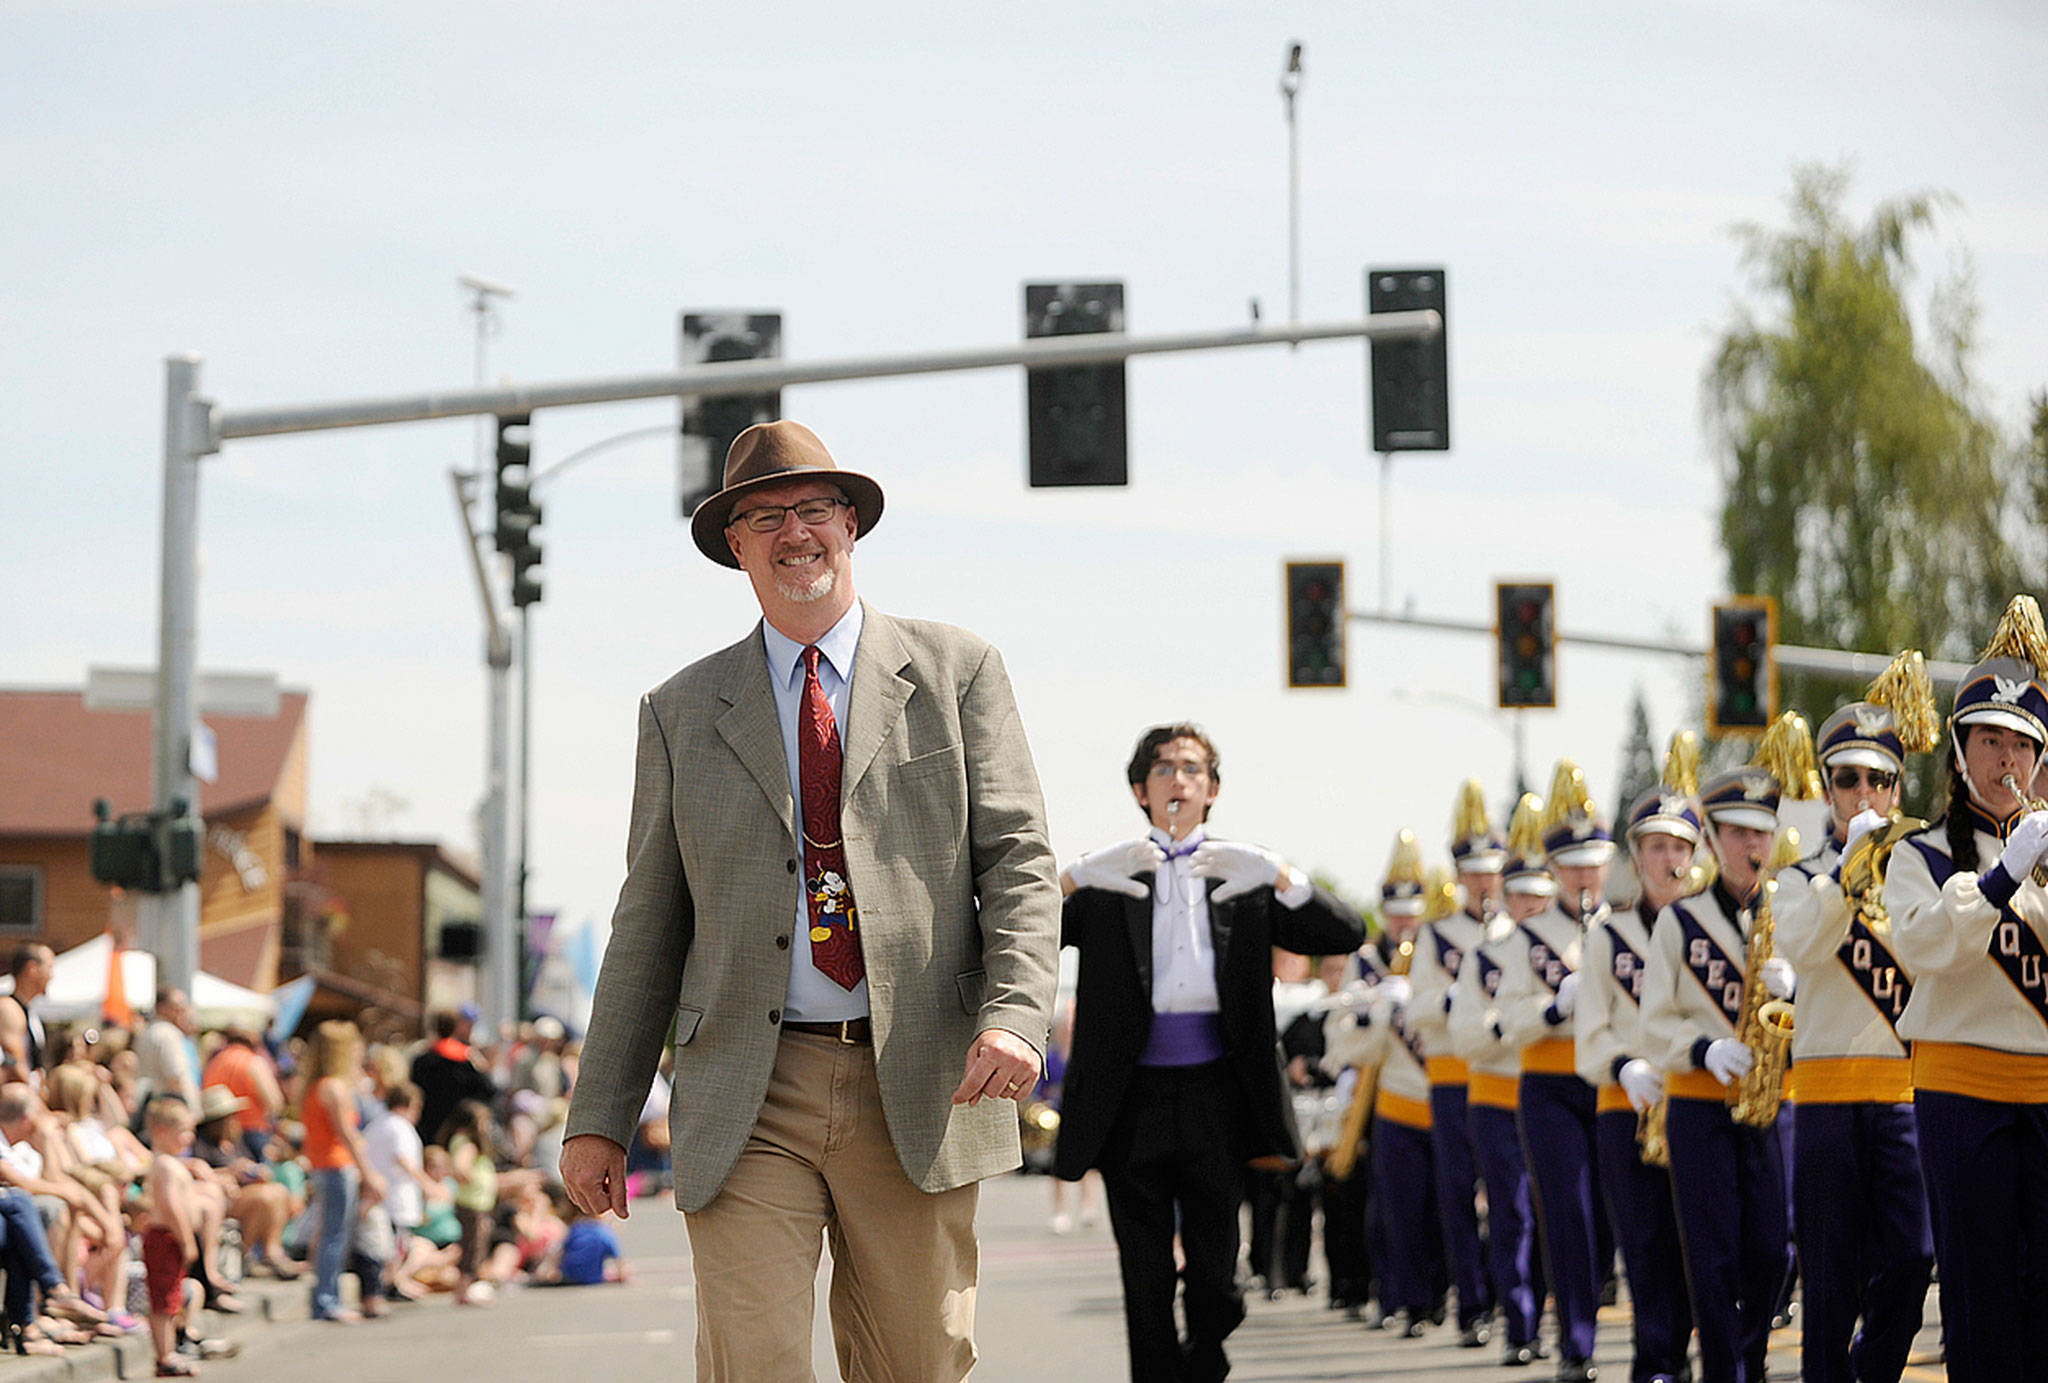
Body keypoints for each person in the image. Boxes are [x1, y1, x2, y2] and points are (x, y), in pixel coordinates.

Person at [560, 420, 1061, 1382]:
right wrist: (599, 1114)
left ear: (851, 526)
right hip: (750, 1087)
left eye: (813, 509)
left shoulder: (958, 671)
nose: (795, 532)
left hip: (921, 1071)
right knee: (754, 1361)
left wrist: (1015, 1015)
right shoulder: (679, 710)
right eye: (764, 516)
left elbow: (1021, 861)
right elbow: (648, 923)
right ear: (735, 546)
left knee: (918, 1362)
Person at [1055, 723, 1366, 1381]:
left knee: (1216, 1273)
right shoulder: (1111, 874)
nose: (1178, 779)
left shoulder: (1242, 874)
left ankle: (1207, 1353)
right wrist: (1073, 878)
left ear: (1212, 789)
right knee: (1144, 1272)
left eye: (1192, 768)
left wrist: (1282, 875)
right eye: (1163, 768)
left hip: (1216, 1095)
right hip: (1130, 1094)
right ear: (1140, 789)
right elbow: (1019, 931)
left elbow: (1344, 931)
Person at [1886, 599, 2048, 1381]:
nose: (2007, 760)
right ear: (1958, 753)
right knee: (1980, 1302)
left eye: (2023, 744)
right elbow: (1922, 945)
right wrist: (2003, 875)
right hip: (1961, 1089)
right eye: (1990, 739)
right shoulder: (1917, 856)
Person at [1770, 655, 1937, 1383]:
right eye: (1848, 779)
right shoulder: (1801, 877)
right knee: (1831, 1278)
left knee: (1913, 1253)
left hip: (1904, 1095)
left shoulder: (1924, 869)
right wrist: (1848, 868)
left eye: (1879, 780)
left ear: (1899, 788)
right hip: (1829, 1098)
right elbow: (1802, 943)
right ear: (1828, 791)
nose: (1864, 792)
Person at [1641, 730, 1808, 1383]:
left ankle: (1751, 1357)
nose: (1752, 846)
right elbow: (1653, 1023)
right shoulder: (1677, 923)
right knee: (1709, 1258)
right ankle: (1723, 1371)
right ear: (1711, 839)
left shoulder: (1790, 913)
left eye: (1762, 832)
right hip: (1699, 1106)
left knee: (1770, 1250)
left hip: (1765, 1105)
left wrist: (1801, 988)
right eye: (1737, 832)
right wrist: (1705, 1047)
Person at [1578, 735, 1701, 1383]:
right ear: (1635, 854)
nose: (1670, 858)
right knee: (1646, 1243)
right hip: (1626, 1105)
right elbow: (1589, 1030)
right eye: (1657, 845)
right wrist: (1622, 1064)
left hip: (1700, 1100)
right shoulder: (1608, 934)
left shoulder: (1714, 924)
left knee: (1700, 1242)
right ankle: (1657, 1362)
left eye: (1681, 845)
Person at [1451, 794, 1552, 1367]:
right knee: (1511, 1214)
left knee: (1555, 1213)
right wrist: (1513, 1026)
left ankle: (1545, 1312)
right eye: (1522, 896)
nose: (1532, 907)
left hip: (1554, 1095)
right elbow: (1466, 1033)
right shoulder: (1485, 955)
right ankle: (1519, 1325)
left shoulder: (1571, 946)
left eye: (1541, 896)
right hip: (1496, 1096)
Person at [1406, 779, 1501, 1348]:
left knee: (1512, 1199)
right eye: (1475, 872)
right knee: (1458, 1195)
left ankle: (1510, 1296)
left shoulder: (1516, 931)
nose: (1485, 881)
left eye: (1492, 870)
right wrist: (1453, 999)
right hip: (1451, 1080)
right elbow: (1417, 1009)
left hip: (1505, 1075)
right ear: (1460, 877)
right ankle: (1472, 1306)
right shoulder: (1437, 936)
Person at [302, 1020, 386, 1324]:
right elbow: (348, 1135)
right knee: (335, 1237)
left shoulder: (318, 1085)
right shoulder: (334, 1088)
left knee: (330, 1235)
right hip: (337, 1167)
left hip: (325, 1166)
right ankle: (327, 1301)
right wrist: (370, 1174)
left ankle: (326, 1298)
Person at [143, 1098, 202, 1377]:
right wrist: (186, 1239)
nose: (188, 1138)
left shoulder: (173, 1163)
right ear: (161, 1131)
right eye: (182, 1131)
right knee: (164, 1298)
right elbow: (170, 1205)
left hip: (171, 1237)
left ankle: (170, 1350)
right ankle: (165, 1355)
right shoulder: (165, 1165)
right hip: (165, 1237)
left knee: (173, 1294)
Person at [409, 1010, 495, 1153]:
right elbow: (488, 1090)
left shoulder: (422, 1060)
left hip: (427, 1124)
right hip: (454, 1126)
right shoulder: (466, 1060)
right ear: (456, 1028)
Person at [444, 1099, 499, 1305]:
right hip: (472, 1203)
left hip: (474, 1203)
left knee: (472, 1246)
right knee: (473, 1247)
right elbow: (460, 1167)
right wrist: (475, 1180)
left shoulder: (461, 1141)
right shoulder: (468, 1143)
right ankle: (464, 1289)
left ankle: (464, 1287)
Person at [135, 990, 201, 1115]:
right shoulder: (167, 1034)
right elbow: (175, 1076)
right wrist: (189, 1110)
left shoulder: (147, 1032)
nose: (181, 1011)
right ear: (161, 1008)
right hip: (171, 1110)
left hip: (152, 1107)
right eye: (177, 1007)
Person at [0, 944, 54, 1089]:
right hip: (14, 1103)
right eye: (49, 967)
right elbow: (15, 1063)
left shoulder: (30, 1014)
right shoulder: (9, 1009)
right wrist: (41, 1106)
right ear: (32, 969)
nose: (52, 976)